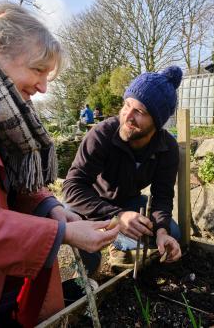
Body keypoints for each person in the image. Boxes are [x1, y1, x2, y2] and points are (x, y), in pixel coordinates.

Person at [0, 3, 119, 328]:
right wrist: (62, 232)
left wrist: (50, 206)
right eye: (38, 70)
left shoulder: (0, 116)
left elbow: (12, 187)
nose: (43, 87)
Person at [63, 66, 183, 269]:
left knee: (173, 232)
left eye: (139, 111)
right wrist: (116, 217)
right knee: (72, 224)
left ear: (157, 121)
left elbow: (162, 196)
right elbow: (72, 187)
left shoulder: (167, 148)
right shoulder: (102, 134)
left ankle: (119, 245)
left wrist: (162, 230)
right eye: (126, 105)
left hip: (130, 202)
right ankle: (92, 263)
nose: (127, 116)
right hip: (90, 201)